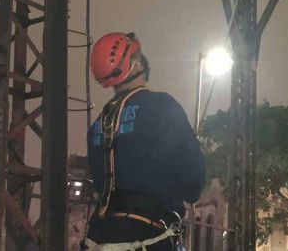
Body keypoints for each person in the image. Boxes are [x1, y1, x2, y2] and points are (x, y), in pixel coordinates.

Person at [84, 32, 205, 251]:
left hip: (98, 237)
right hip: (147, 237)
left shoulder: (97, 126)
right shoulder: (162, 107)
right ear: (134, 63)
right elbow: (193, 184)